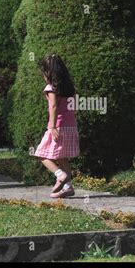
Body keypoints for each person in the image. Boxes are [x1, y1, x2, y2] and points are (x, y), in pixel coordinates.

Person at [34, 54, 79, 198]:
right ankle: (68, 187)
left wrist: (52, 127)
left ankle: (60, 175)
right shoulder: (69, 87)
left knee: (41, 154)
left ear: (48, 73)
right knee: (62, 157)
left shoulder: (51, 88)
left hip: (57, 126)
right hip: (70, 126)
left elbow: (53, 106)